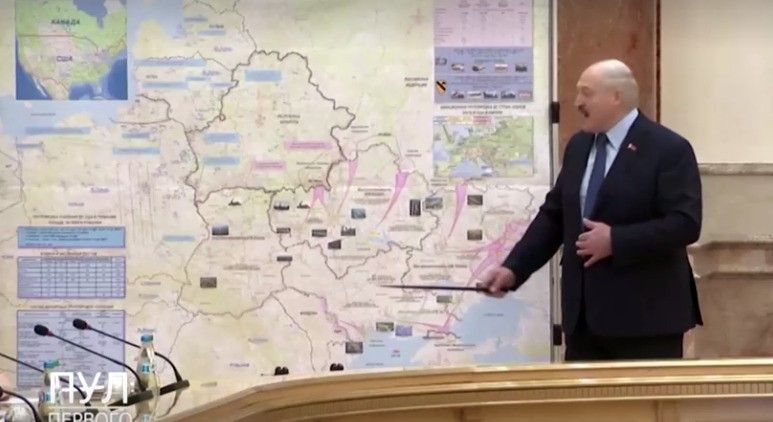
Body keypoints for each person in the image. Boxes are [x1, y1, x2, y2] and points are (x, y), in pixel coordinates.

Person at [478, 59, 703, 361]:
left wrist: (616, 240)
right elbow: (555, 215)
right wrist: (513, 268)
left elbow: (685, 223)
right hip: (583, 323)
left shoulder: (668, 148)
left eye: (586, 93)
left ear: (616, 97)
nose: (577, 103)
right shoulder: (579, 146)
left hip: (646, 322)